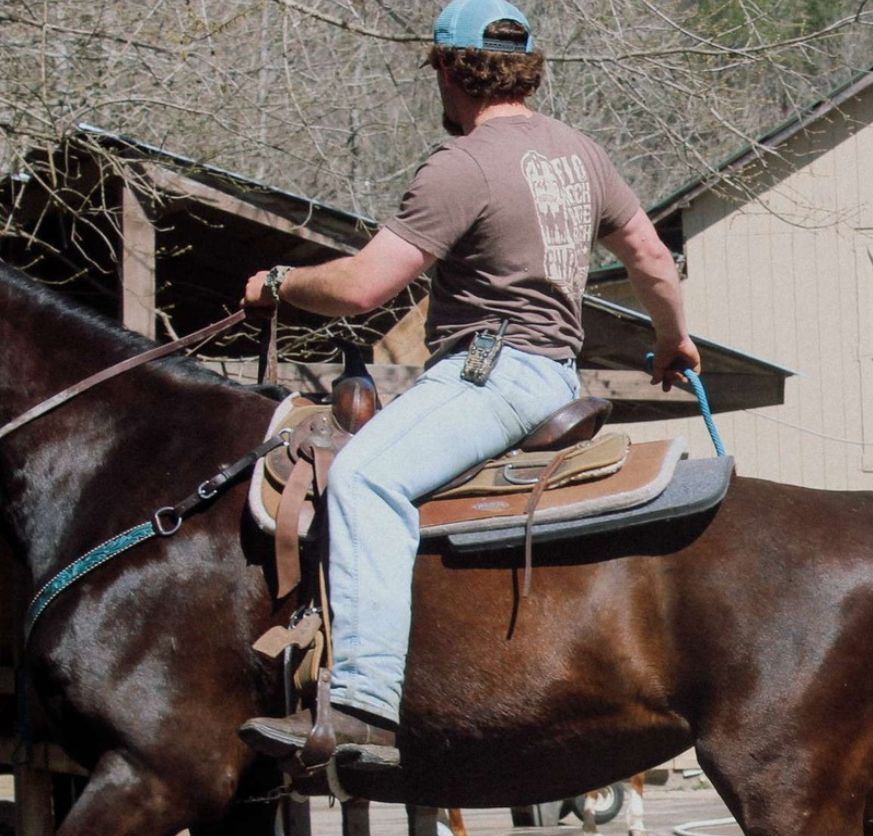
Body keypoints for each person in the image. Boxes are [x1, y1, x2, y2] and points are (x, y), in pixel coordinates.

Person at [237, 0, 697, 769]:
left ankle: (362, 704)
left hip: (494, 374)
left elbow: (363, 288)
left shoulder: (462, 165)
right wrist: (673, 338)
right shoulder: (582, 155)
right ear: (527, 69)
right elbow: (651, 257)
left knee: (364, 478)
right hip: (557, 373)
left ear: (450, 69)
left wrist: (279, 284)